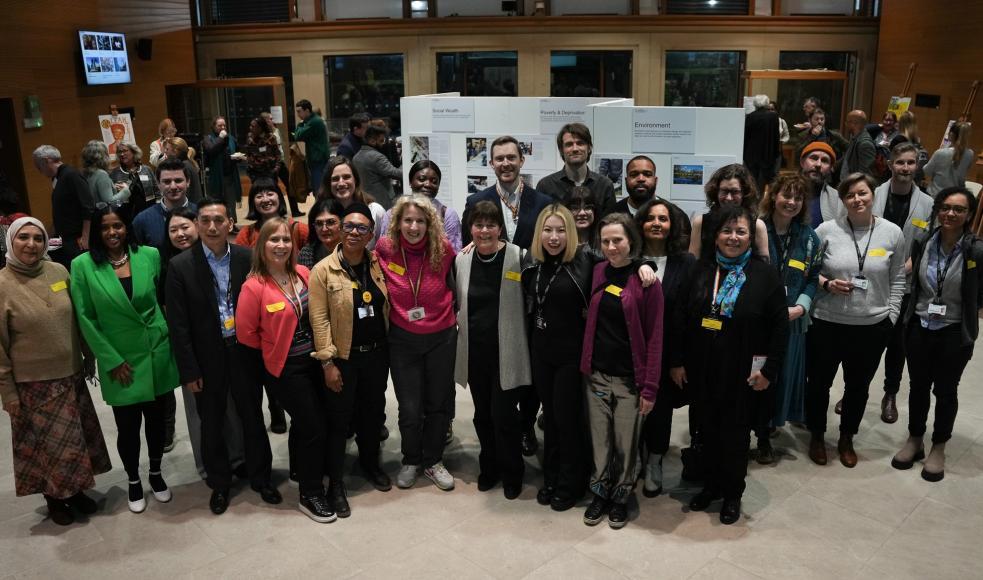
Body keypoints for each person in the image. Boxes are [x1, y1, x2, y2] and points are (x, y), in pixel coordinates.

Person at [675, 205, 788, 525]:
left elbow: (780, 326)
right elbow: (681, 317)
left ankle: (733, 493)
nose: (733, 238)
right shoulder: (701, 269)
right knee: (706, 432)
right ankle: (711, 486)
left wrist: (769, 371)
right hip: (702, 370)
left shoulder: (764, 274)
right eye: (727, 231)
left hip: (743, 374)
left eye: (741, 232)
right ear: (716, 235)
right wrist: (678, 361)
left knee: (736, 437)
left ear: (751, 237)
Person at [165, 200, 279, 515]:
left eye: (219, 220)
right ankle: (219, 483)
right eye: (205, 220)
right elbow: (178, 325)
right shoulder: (180, 266)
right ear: (197, 224)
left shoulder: (247, 258)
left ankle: (262, 478)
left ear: (230, 223)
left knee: (252, 417)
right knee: (211, 422)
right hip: (206, 358)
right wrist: (189, 370)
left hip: (244, 352)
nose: (212, 227)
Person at [0, 217, 111, 525]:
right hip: (34, 385)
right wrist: (7, 391)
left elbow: (77, 318)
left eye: (38, 238)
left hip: (71, 374)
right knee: (48, 447)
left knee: (76, 443)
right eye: (23, 238)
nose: (31, 244)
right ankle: (54, 498)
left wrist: (88, 356)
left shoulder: (58, 271)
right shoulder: (1, 285)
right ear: (11, 241)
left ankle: (75, 493)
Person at [70, 206, 179, 513]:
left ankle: (156, 474)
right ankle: (134, 479)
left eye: (117, 225)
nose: (112, 232)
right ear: (97, 232)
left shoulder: (149, 255)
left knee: (158, 424)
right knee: (127, 428)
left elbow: (161, 300)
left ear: (126, 227)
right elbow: (85, 317)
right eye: (105, 227)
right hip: (119, 361)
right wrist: (110, 360)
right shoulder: (83, 265)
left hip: (154, 351)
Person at [235, 218, 336, 523]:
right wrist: (275, 346)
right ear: (261, 246)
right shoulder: (254, 287)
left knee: (308, 425)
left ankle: (299, 470)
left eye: (285, 240)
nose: (280, 245)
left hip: (315, 362)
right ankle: (310, 493)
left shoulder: (303, 274)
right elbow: (245, 334)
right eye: (273, 240)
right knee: (313, 425)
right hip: (286, 368)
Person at [806, 173, 905, 468]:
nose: (857, 199)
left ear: (872, 195)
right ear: (843, 199)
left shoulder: (892, 233)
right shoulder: (825, 230)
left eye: (862, 193)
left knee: (858, 387)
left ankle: (847, 436)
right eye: (850, 195)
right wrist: (826, 284)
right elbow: (810, 272)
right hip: (826, 322)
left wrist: (891, 317)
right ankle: (816, 434)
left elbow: (898, 278)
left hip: (871, 327)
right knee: (819, 384)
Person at [892, 187, 983, 482]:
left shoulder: (976, 250)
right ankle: (915, 439)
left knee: (945, 390)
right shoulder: (923, 242)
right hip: (919, 325)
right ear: (937, 210)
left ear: (968, 215)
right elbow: (911, 278)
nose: (951, 214)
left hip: (955, 331)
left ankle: (939, 446)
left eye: (958, 209)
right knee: (918, 386)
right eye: (945, 207)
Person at [580, 212, 664, 529]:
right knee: (600, 441)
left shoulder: (647, 283)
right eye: (606, 241)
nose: (612, 247)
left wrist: (650, 388)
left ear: (631, 241)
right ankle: (600, 491)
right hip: (596, 375)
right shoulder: (599, 270)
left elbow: (656, 338)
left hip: (631, 380)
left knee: (626, 443)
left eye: (618, 240)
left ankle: (621, 494)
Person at [309, 202, 392, 515]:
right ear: (340, 231)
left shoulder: (378, 264)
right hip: (343, 359)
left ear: (371, 233)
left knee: (372, 415)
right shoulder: (323, 270)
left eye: (362, 228)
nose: (355, 232)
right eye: (349, 227)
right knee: (339, 422)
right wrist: (327, 363)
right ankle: (336, 485)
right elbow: (319, 320)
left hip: (376, 356)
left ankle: (371, 465)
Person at [374, 194, 457, 491]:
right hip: (402, 340)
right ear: (397, 222)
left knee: (437, 404)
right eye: (408, 220)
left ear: (429, 224)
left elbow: (457, 274)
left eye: (420, 221)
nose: (414, 226)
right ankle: (411, 459)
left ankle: (433, 461)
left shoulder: (443, 249)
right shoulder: (385, 248)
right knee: (409, 407)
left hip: (441, 337)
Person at [454, 200, 531, 500]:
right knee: (483, 415)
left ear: (501, 228)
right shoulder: (462, 260)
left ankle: (513, 471)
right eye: (478, 224)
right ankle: (490, 467)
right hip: (475, 354)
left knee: (504, 416)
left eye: (491, 224)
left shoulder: (518, 256)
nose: (484, 230)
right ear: (470, 228)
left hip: (508, 353)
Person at [635, 198, 697, 495]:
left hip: (666, 355)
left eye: (663, 218)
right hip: (630, 353)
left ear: (672, 225)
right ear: (641, 224)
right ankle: (634, 457)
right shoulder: (628, 258)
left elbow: (687, 316)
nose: (657, 223)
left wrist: (678, 360)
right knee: (631, 410)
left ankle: (654, 461)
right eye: (650, 218)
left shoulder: (686, 263)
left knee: (659, 411)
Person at [758, 175, 822, 453]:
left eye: (798, 198)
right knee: (758, 376)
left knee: (783, 376)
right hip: (760, 321)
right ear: (773, 196)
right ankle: (757, 426)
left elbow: (814, 277)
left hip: (794, 320)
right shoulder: (756, 229)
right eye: (787, 195)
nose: (792, 202)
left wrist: (801, 307)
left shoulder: (809, 237)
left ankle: (770, 427)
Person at [872, 143, 934, 424]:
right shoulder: (872, 196)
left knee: (897, 346)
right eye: (900, 163)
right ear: (889, 164)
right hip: (870, 281)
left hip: (905, 286)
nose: (905, 168)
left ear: (917, 165)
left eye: (911, 163)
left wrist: (902, 270)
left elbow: (926, 247)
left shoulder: (928, 204)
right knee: (865, 343)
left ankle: (890, 394)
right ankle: (854, 391)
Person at [463, 136, 552, 250]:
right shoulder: (475, 202)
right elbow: (468, 247)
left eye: (511, 157)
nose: (505, 164)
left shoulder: (543, 203)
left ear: (521, 161)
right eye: (499, 159)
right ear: (492, 164)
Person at [688, 164, 769, 260]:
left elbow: (764, 266)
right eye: (724, 191)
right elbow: (692, 263)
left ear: (745, 194)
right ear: (716, 192)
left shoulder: (757, 226)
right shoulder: (701, 223)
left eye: (735, 192)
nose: (729, 198)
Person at [31, 145, 93, 270]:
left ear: (46, 161)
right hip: (65, 238)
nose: (39, 170)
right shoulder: (58, 178)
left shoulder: (71, 175)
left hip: (77, 239)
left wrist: (86, 237)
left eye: (39, 166)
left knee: (80, 272)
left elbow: (88, 207)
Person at [379, 160, 462, 252]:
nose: (428, 184)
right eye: (422, 179)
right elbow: (385, 250)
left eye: (434, 181)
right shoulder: (392, 214)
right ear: (410, 182)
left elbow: (453, 253)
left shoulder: (448, 215)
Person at [535, 123, 616, 215]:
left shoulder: (605, 185)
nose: (575, 149)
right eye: (569, 144)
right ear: (561, 150)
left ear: (589, 148)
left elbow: (610, 224)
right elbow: (540, 224)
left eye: (580, 143)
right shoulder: (546, 186)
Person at [132, 158, 198, 252]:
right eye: (167, 182)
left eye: (178, 181)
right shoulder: (142, 220)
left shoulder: (201, 215)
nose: (173, 186)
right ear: (158, 184)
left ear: (188, 182)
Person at [320, 157, 386, 248]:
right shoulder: (322, 216)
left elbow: (385, 249)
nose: (341, 183)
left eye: (346, 177)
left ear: (355, 180)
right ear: (328, 184)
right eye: (335, 179)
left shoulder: (375, 211)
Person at [235, 179, 309, 254]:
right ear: (252, 203)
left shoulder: (298, 230)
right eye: (259, 196)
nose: (265, 199)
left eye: (270, 194)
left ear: (279, 198)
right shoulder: (246, 234)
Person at [203, 116, 243, 221]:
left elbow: (237, 151)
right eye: (219, 125)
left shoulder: (231, 138)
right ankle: (218, 224)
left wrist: (238, 158)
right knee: (217, 203)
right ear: (213, 127)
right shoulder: (208, 138)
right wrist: (220, 138)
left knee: (231, 202)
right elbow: (210, 150)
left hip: (230, 176)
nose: (223, 127)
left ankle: (232, 224)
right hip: (215, 178)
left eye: (224, 125)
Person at [352, 124, 401, 209]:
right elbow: (395, 173)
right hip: (382, 201)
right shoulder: (377, 157)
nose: (383, 144)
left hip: (365, 200)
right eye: (381, 141)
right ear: (372, 141)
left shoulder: (356, 157)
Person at [924, 122, 974, 197]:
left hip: (936, 195)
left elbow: (927, 171)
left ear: (951, 134)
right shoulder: (970, 154)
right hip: (956, 196)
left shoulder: (940, 153)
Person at [111, 143, 159, 221]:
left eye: (125, 151)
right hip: (126, 214)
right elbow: (112, 197)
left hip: (149, 209)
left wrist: (159, 206)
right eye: (119, 152)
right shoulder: (115, 173)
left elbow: (157, 189)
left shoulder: (146, 169)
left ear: (134, 152)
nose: (122, 154)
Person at [799, 142, 843, 227]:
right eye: (814, 158)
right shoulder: (785, 193)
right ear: (802, 162)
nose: (818, 164)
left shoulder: (838, 200)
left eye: (824, 161)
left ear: (831, 168)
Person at [743, 95, 781, 192]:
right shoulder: (773, 116)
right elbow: (776, 136)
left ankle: (753, 202)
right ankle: (762, 203)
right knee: (765, 181)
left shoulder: (750, 117)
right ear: (766, 103)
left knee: (752, 181)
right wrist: (776, 153)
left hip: (751, 155)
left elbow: (746, 137)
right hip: (767, 153)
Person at [81, 140, 130, 209]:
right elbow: (110, 202)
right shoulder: (101, 174)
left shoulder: (86, 173)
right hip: (105, 216)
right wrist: (126, 190)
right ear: (103, 156)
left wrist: (112, 188)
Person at [294, 100, 330, 193]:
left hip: (318, 159)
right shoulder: (312, 121)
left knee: (318, 189)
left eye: (299, 111)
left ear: (307, 111)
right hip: (315, 158)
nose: (298, 114)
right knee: (317, 187)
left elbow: (297, 136)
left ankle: (320, 207)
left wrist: (300, 124)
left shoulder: (314, 122)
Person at [298, 198, 343, 269]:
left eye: (330, 222)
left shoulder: (353, 249)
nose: (324, 229)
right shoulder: (307, 254)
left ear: (342, 223)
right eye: (319, 223)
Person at [162, 137, 204, 203]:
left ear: (175, 151)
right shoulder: (187, 163)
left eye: (167, 149)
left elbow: (186, 193)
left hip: (190, 209)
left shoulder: (184, 166)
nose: (165, 151)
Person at [838, 110, 876, 182]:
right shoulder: (855, 139)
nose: (845, 124)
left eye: (847, 122)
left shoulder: (865, 144)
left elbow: (865, 174)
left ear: (854, 123)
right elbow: (847, 157)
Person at [563, 186, 601, 254]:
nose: (582, 213)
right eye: (575, 208)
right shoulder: (559, 242)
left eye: (588, 207)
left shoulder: (605, 241)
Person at [245, 115, 282, 184]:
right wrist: (250, 170)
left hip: (270, 172)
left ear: (260, 128)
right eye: (250, 125)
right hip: (255, 173)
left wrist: (276, 169)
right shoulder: (250, 137)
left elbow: (277, 154)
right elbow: (248, 154)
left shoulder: (271, 138)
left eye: (253, 126)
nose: (250, 128)